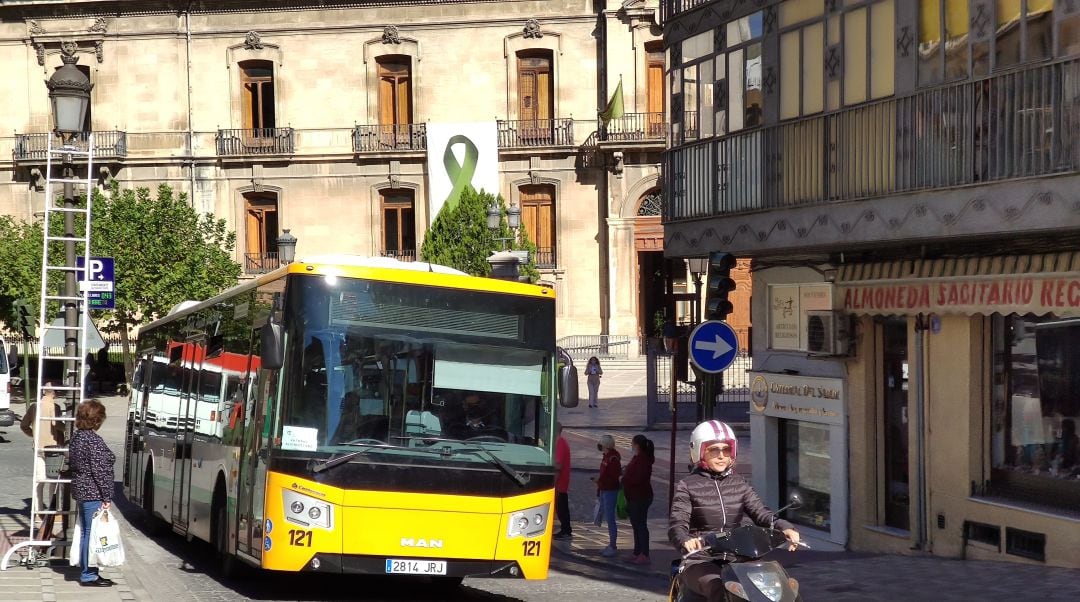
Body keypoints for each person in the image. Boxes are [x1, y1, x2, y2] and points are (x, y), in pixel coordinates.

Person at [669, 420, 801, 602]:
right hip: (701, 559)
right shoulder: (687, 486)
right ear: (699, 451)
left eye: (727, 449)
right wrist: (685, 540)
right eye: (714, 450)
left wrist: (784, 526)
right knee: (717, 585)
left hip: (738, 557)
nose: (722, 455)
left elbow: (760, 512)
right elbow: (677, 524)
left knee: (777, 582)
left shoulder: (739, 483)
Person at [69, 399, 116, 587]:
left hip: (81, 489)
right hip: (92, 491)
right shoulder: (93, 441)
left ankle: (89, 570)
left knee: (86, 531)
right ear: (96, 420)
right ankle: (89, 574)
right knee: (91, 532)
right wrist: (107, 496)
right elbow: (100, 471)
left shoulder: (77, 437)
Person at [20, 384, 67, 516]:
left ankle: (38, 510)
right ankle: (53, 511)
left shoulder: (34, 407)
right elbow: (55, 424)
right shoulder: (55, 407)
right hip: (53, 447)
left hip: (38, 447)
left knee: (39, 480)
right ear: (54, 393)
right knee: (54, 479)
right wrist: (67, 428)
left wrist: (33, 434)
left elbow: (24, 425)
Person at [621, 434, 655, 565]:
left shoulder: (643, 460)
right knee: (636, 525)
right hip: (634, 496)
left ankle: (644, 554)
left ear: (637, 445)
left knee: (640, 525)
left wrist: (624, 480)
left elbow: (638, 479)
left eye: (632, 443)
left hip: (640, 496)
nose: (631, 445)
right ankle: (637, 552)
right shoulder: (638, 458)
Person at [591, 434, 621, 557]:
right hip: (604, 490)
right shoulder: (606, 457)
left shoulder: (612, 459)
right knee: (607, 517)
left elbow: (613, 478)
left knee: (610, 519)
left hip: (610, 491)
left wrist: (600, 481)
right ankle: (611, 544)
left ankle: (613, 546)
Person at [552, 422, 573, 540]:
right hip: (561, 481)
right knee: (561, 506)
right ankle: (565, 529)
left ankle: (566, 530)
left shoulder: (560, 443)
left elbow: (558, 464)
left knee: (562, 507)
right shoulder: (560, 442)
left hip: (560, 482)